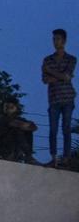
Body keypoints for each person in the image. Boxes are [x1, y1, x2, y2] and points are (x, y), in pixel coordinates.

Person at [42, 28, 75, 165]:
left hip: (67, 97)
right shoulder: (48, 59)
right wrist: (60, 76)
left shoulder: (71, 59)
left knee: (66, 128)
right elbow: (45, 79)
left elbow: (67, 77)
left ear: (64, 41)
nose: (56, 42)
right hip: (54, 98)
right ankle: (54, 157)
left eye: (58, 39)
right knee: (53, 129)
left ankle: (66, 157)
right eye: (54, 39)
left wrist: (50, 72)